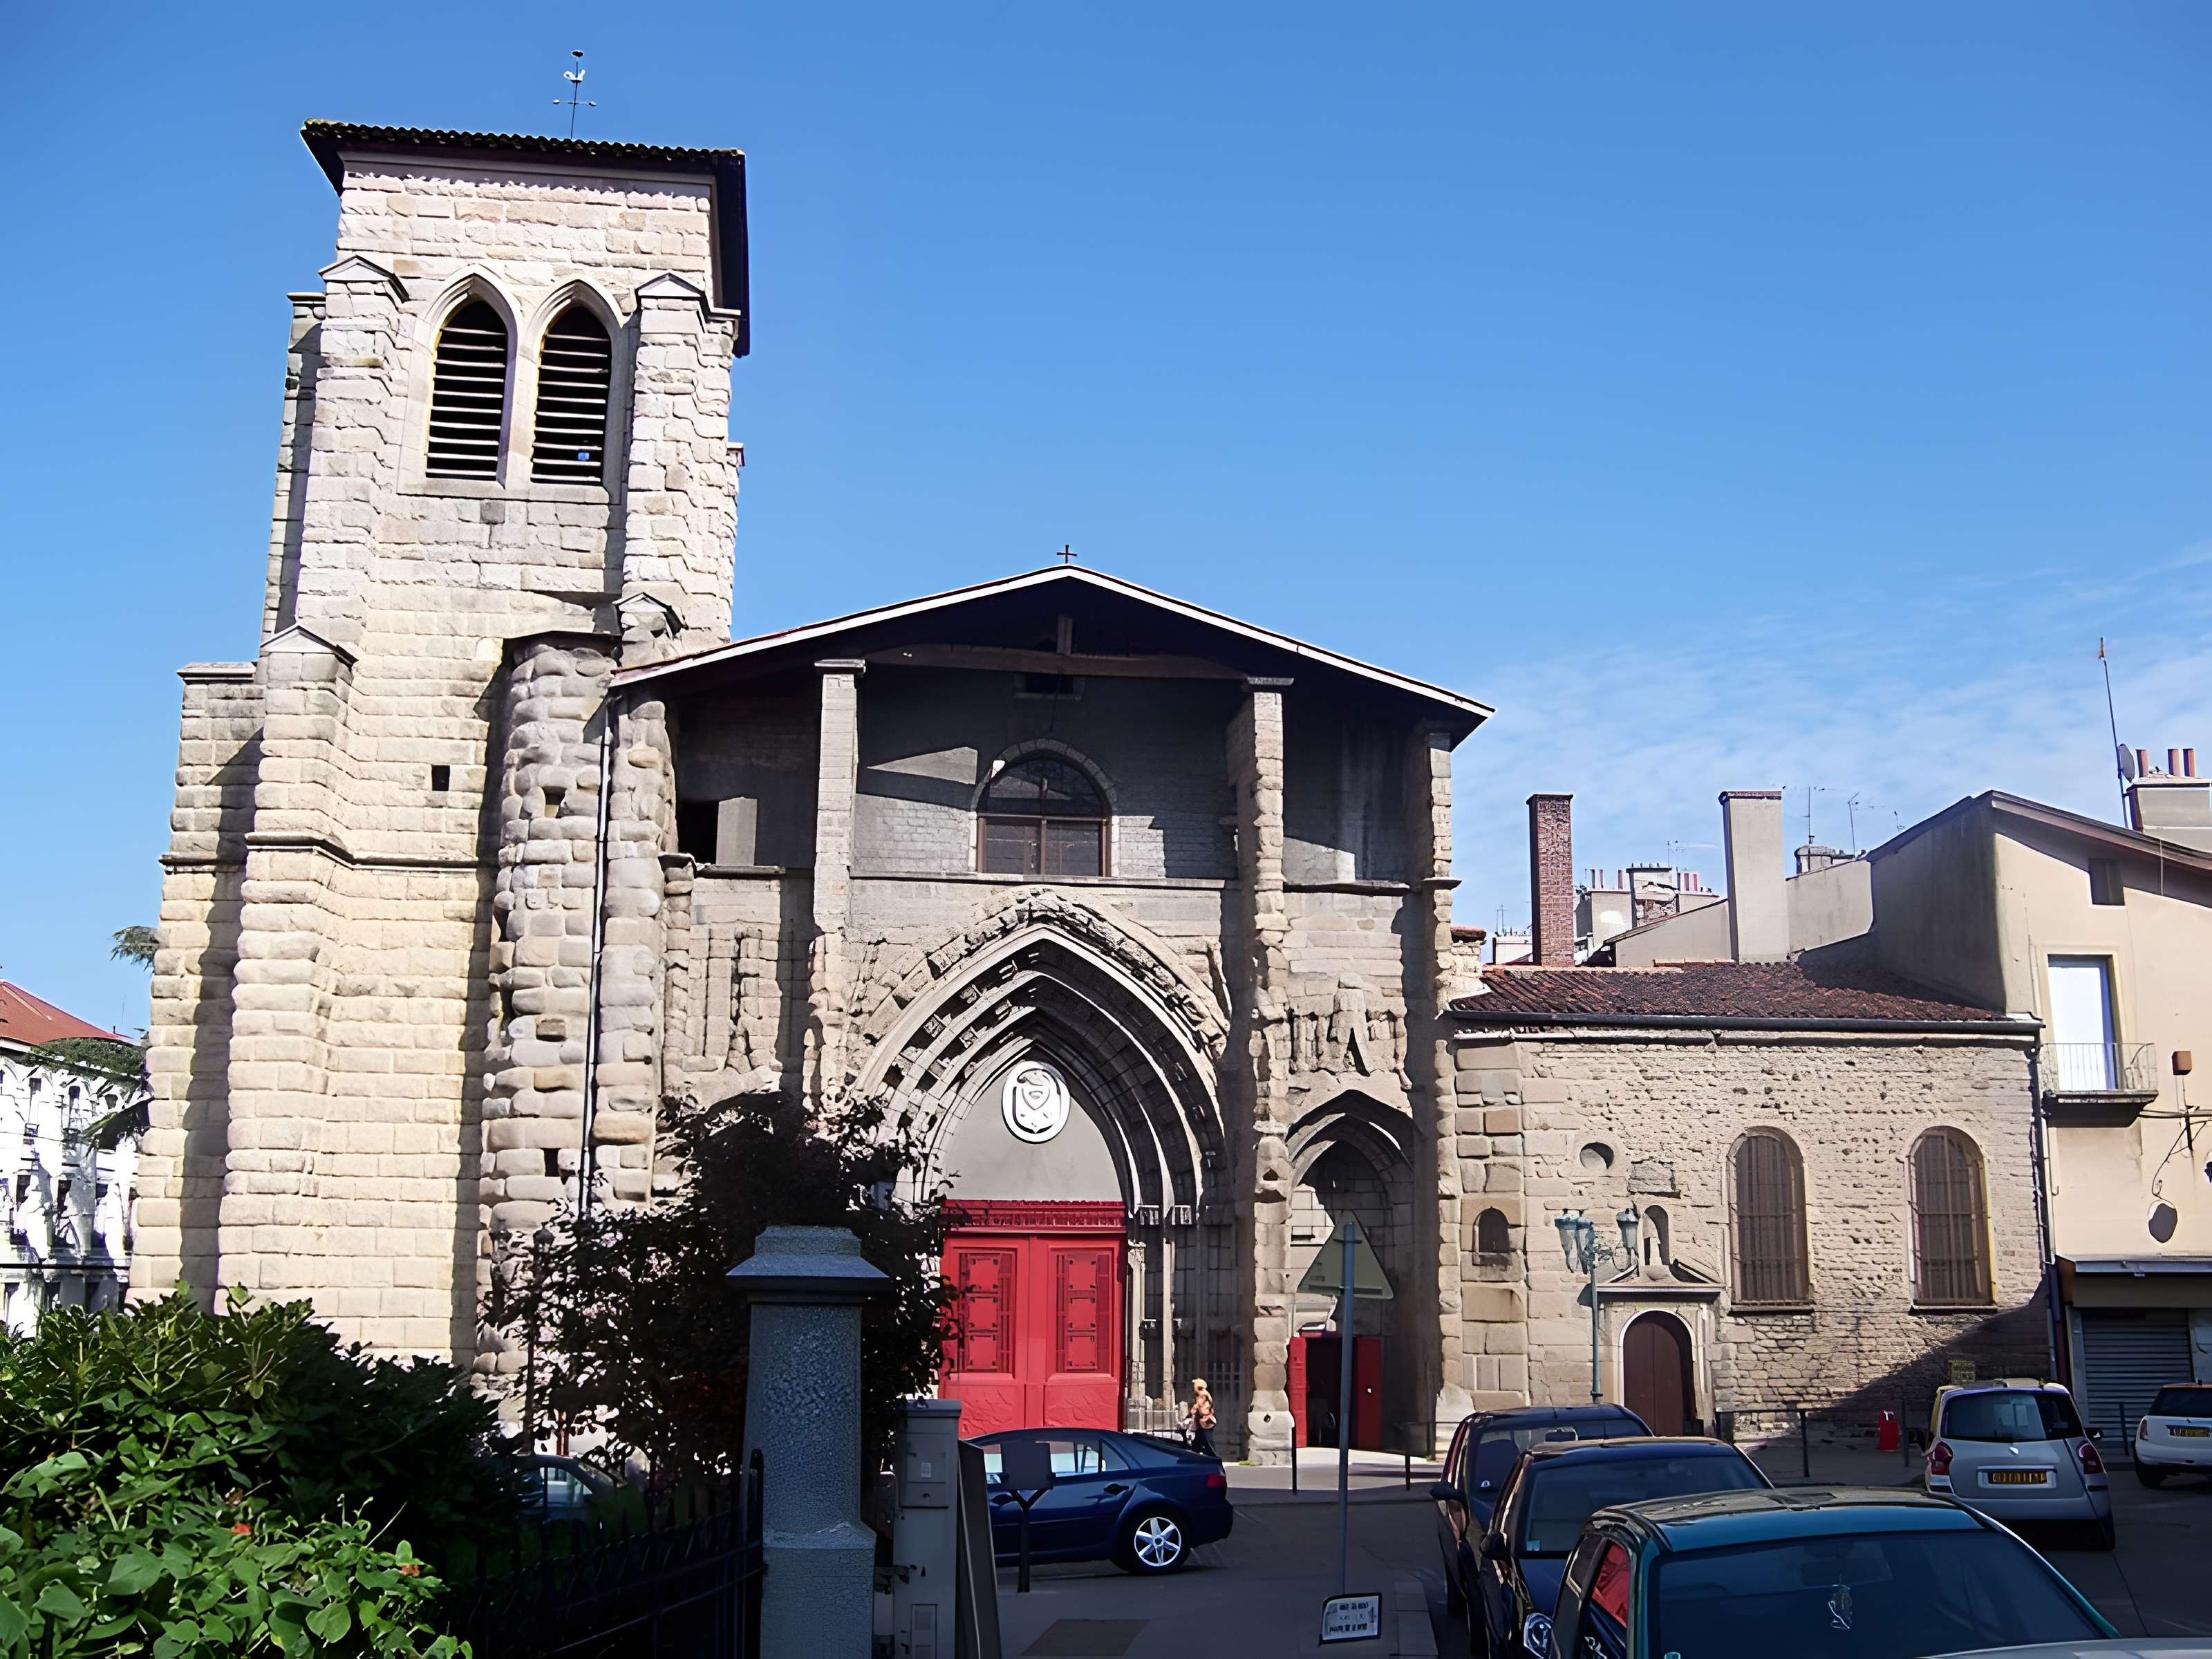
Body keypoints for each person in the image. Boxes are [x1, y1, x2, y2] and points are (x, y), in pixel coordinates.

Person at [1185, 1378, 1217, 1457]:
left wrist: (1196, 1407)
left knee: (1208, 1442)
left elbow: (1203, 1408)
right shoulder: (1201, 1395)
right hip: (1201, 1422)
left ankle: (1214, 1458)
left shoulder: (1203, 1395)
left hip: (1206, 1421)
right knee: (1198, 1440)